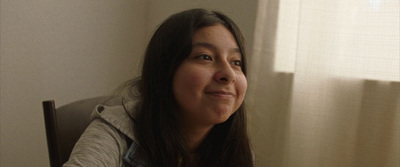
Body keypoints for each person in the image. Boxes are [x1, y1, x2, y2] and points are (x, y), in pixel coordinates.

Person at [64, 8, 254, 167]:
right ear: (165, 70)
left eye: (236, 62)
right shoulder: (114, 134)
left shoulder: (234, 147)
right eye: (205, 57)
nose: (228, 74)